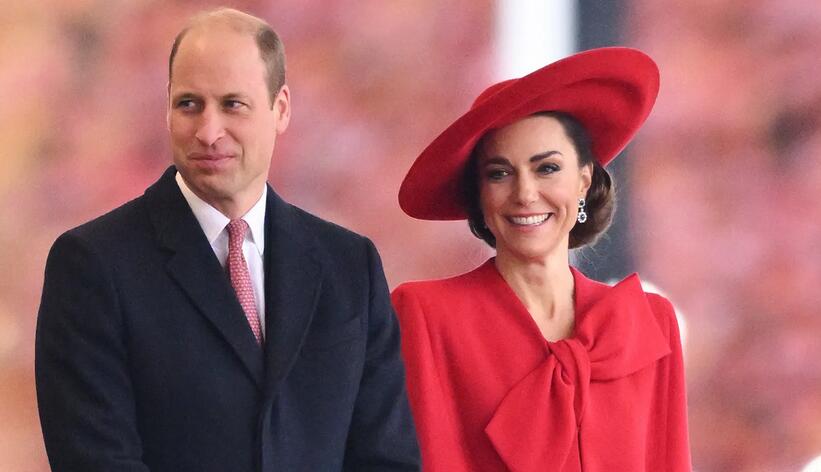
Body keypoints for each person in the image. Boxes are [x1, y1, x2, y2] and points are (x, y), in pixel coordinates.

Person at [35, 8, 419, 472]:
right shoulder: (94, 265)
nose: (208, 132)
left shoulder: (349, 265)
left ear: (281, 110)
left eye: (232, 104)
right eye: (189, 104)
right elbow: (95, 460)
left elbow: (385, 456)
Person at [392, 47, 691, 471]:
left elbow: (669, 461)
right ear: (479, 195)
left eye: (547, 168)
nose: (525, 193)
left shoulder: (647, 322)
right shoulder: (425, 314)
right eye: (499, 173)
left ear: (584, 180)